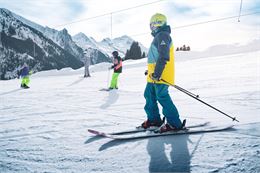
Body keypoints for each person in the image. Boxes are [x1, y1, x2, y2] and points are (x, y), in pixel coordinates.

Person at [141, 13, 184, 133]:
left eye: (152, 25)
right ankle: (154, 120)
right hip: (153, 75)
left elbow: (163, 56)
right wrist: (150, 71)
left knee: (162, 97)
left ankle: (175, 123)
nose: (151, 28)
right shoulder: (159, 36)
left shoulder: (163, 35)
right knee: (149, 95)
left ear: (157, 23)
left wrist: (157, 73)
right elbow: (155, 58)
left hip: (161, 75)